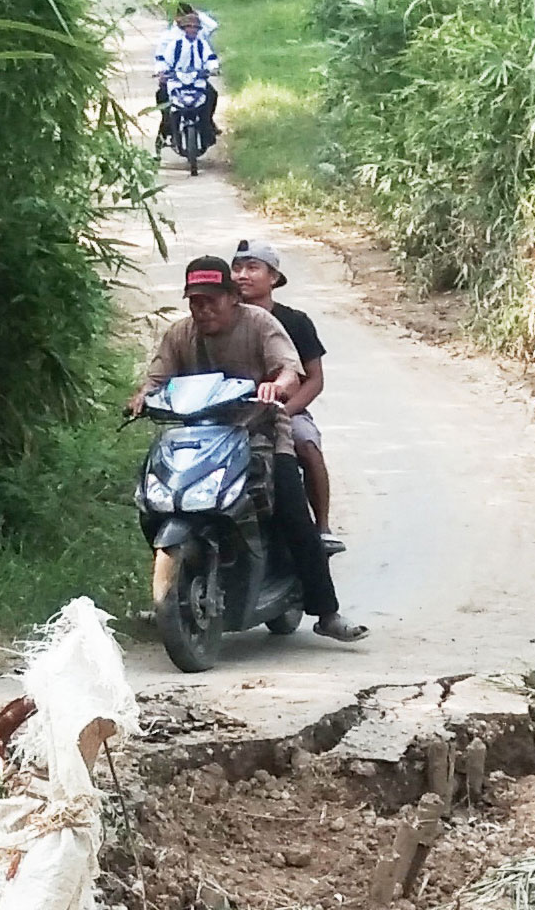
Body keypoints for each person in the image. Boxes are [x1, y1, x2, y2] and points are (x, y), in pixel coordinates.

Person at [133, 255, 365, 642]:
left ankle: (326, 611)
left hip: (263, 436)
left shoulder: (260, 324)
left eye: (211, 300)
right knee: (153, 505)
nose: (203, 310)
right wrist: (141, 397)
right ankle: (170, 590)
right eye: (196, 302)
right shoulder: (180, 335)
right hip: (200, 439)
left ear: (231, 297)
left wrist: (278, 385)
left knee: (293, 514)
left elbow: (290, 370)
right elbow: (156, 379)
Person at [227, 239, 338, 553]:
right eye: (236, 268)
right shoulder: (222, 318)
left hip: (287, 409)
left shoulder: (296, 322)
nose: (242, 275)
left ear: (273, 277)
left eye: (252, 268)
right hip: (231, 411)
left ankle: (322, 527)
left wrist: (284, 412)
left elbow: (314, 380)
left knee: (306, 444)